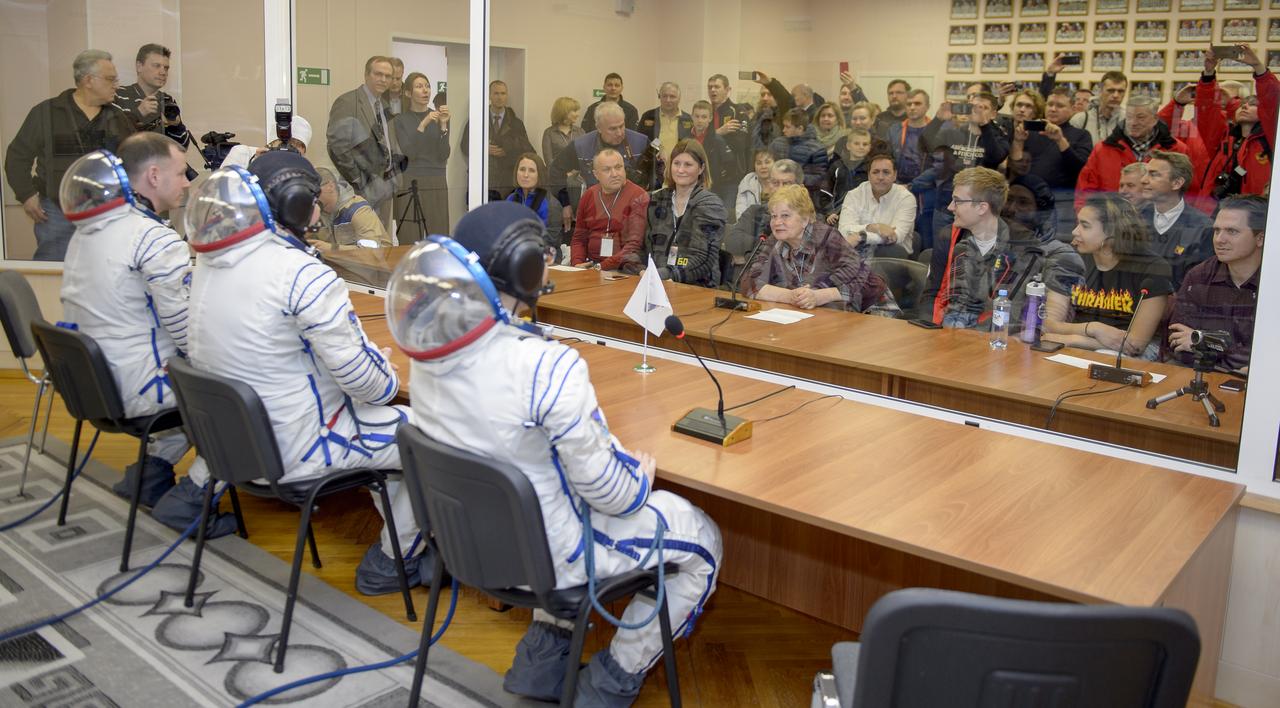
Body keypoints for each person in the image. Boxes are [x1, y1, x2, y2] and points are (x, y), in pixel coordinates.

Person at [387, 201, 721, 706]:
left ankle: (540, 665)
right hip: (546, 557)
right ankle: (611, 679)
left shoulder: (430, 350)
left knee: (556, 497)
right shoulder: (547, 366)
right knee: (703, 538)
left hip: (465, 546)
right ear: (525, 266)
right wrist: (638, 478)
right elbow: (612, 495)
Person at [178, 150, 425, 593]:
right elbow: (371, 386)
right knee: (418, 431)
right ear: (295, 203)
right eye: (310, 197)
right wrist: (383, 368)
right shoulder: (302, 275)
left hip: (232, 447)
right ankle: (394, 560)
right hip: (292, 452)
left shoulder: (209, 264)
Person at [57, 134, 203, 514]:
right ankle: (193, 496)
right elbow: (187, 331)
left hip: (94, 385)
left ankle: (149, 476)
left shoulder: (87, 232)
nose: (188, 182)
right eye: (181, 172)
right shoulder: (151, 238)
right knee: (247, 387)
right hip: (137, 389)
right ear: (154, 176)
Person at [4, 49, 134, 260]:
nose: (116, 85)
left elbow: (133, 161)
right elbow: (17, 156)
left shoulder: (117, 118)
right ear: (88, 80)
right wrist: (26, 194)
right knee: (54, 270)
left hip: (106, 213)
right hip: (56, 212)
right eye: (110, 79)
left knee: (103, 270)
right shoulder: (47, 113)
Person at [933, 167, 1084, 330]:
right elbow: (956, 310)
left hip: (1006, 345)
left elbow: (1041, 326)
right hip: (966, 341)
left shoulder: (1054, 255)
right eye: (1009, 201)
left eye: (1023, 203)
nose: (1011, 209)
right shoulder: (965, 246)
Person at [1043, 193, 1174, 359]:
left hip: (1127, 355)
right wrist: (1093, 328)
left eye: (1085, 225)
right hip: (1074, 344)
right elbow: (1049, 324)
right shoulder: (1071, 262)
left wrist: (1073, 339)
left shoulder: (1152, 268)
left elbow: (1136, 344)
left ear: (1111, 232)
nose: (1074, 231)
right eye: (1077, 224)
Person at [741, 184, 900, 316]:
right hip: (822, 313)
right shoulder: (774, 241)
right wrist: (791, 297)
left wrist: (818, 296)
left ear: (805, 219)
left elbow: (861, 280)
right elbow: (750, 283)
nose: (777, 222)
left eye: (785, 216)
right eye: (774, 216)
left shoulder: (826, 237)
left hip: (872, 309)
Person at [1167, 195, 1265, 372]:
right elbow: (1178, 343)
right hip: (1202, 376)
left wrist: (1201, 341)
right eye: (1217, 230)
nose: (1219, 239)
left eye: (1232, 231)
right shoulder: (1199, 276)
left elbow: (1265, 356)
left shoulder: (1272, 282)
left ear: (1260, 238)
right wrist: (1235, 361)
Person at [622, 139, 726, 287]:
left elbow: (703, 260)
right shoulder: (654, 200)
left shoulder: (710, 205)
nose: (681, 170)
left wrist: (664, 275)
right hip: (654, 284)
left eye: (688, 164)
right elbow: (636, 248)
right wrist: (640, 270)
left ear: (701, 168)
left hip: (695, 288)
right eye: (676, 163)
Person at [1075, 95, 1193, 210]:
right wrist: (1086, 221)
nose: (1133, 123)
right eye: (1129, 117)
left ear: (1155, 120)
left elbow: (1190, 193)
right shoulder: (1102, 150)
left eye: (1140, 117)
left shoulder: (1177, 150)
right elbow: (1085, 192)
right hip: (1112, 223)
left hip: (1162, 223)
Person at [1195, 46, 1278, 199]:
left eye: (1253, 104)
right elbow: (1205, 112)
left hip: (1257, 212)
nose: (1245, 106)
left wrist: (1257, 66)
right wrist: (1208, 74)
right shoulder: (1224, 137)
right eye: (1242, 105)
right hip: (1216, 210)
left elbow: (1272, 100)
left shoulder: (1272, 139)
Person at [326, 55, 400, 222]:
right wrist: (358, 180)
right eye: (378, 74)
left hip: (385, 189)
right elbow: (337, 146)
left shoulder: (385, 106)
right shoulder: (348, 102)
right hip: (358, 190)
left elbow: (390, 143)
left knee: (380, 242)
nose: (383, 79)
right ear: (366, 75)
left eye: (388, 76)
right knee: (359, 242)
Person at [1009, 88, 1092, 235]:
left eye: (1060, 106)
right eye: (1050, 104)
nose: (1053, 109)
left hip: (1061, 203)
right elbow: (1016, 170)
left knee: (1056, 249)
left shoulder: (1081, 135)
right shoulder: (1030, 132)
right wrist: (1018, 142)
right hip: (1027, 202)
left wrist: (1060, 141)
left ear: (1073, 109)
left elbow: (1080, 169)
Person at [549, 102, 656, 205]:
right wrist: (565, 202)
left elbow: (656, 173)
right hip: (596, 208)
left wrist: (648, 192)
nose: (619, 133)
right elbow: (556, 170)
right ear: (599, 128)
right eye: (613, 129)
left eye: (622, 126)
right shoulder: (580, 146)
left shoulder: (641, 142)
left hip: (634, 207)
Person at [1139, 150, 1212, 286]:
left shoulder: (1203, 228)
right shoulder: (1135, 218)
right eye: (1145, 173)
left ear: (1177, 183)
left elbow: (1198, 283)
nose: (1143, 180)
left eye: (1153, 174)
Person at [392, 71, 451, 239]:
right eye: (419, 86)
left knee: (439, 232)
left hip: (437, 179)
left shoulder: (440, 117)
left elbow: (444, 154)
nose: (425, 90)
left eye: (427, 86)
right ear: (408, 93)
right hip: (412, 180)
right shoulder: (401, 120)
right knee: (410, 235)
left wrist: (444, 126)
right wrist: (423, 124)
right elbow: (410, 152)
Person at [570, 148, 650, 270]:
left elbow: (633, 246)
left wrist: (601, 266)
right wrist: (577, 264)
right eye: (607, 169)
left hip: (623, 268)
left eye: (618, 167)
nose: (614, 174)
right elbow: (579, 238)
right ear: (596, 174)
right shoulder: (589, 195)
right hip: (589, 266)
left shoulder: (639, 196)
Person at [460, 80, 535, 201]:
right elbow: (464, 146)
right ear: (489, 96)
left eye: (503, 93)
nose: (500, 97)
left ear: (507, 96)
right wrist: (483, 149)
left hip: (507, 183)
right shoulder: (477, 119)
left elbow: (527, 152)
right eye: (496, 93)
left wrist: (507, 151)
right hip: (482, 180)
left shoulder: (516, 123)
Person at [836, 153, 916, 259]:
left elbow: (895, 236)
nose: (880, 177)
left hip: (894, 257)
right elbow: (844, 230)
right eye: (875, 172)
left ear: (895, 175)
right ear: (869, 175)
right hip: (859, 253)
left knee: (889, 251)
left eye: (886, 172)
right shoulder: (854, 195)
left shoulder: (906, 198)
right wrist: (872, 227)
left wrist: (862, 237)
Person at [726, 159, 801, 270]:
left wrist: (746, 257)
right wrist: (767, 245)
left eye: (786, 184)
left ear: (800, 188)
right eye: (775, 183)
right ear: (769, 185)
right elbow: (733, 241)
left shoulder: (808, 219)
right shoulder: (755, 211)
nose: (780, 189)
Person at [113, 43, 191, 149]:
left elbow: (182, 147)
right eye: (156, 66)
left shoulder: (166, 100)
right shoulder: (119, 95)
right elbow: (112, 139)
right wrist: (138, 113)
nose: (163, 72)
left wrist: (175, 126)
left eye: (166, 68)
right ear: (139, 66)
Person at [313, 166, 393, 250]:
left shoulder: (357, 209)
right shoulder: (317, 212)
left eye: (314, 189)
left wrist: (332, 248)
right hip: (340, 261)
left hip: (379, 260)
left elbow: (371, 250)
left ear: (330, 186)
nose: (310, 195)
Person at [506, 152, 565, 254]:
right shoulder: (511, 199)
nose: (525, 175)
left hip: (543, 259)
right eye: (522, 169)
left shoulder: (552, 205)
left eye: (532, 171)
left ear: (540, 174)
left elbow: (551, 241)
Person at [543, 96, 587, 231]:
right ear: (563, 112)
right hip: (558, 182)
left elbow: (585, 157)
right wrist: (564, 172)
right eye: (573, 111)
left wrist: (576, 172)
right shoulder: (549, 133)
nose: (577, 114)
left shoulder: (580, 132)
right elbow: (549, 160)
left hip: (579, 183)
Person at [821, 128, 875, 223]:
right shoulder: (837, 166)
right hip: (837, 216)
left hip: (865, 216)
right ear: (848, 146)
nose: (861, 147)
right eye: (856, 143)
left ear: (870, 147)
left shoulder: (873, 168)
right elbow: (825, 192)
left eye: (865, 144)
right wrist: (829, 212)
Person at [688, 100, 736, 209]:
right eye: (697, 116)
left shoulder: (717, 141)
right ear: (692, 117)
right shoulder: (685, 139)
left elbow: (729, 166)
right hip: (689, 189)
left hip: (712, 190)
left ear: (710, 119)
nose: (700, 120)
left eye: (704, 117)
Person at [769, 108, 827, 195]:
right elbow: (769, 167)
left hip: (803, 195)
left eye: (787, 127)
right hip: (777, 192)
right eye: (784, 126)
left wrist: (795, 179)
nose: (783, 130)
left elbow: (819, 178)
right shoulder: (777, 144)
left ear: (800, 128)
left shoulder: (817, 149)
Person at [1068, 69, 1129, 145]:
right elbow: (1069, 153)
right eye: (1110, 90)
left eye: (1120, 91)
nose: (1116, 95)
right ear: (1100, 90)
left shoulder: (1128, 121)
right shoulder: (1080, 120)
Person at [637, 82, 693, 163]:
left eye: (672, 96)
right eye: (664, 96)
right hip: (653, 168)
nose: (668, 100)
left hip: (680, 167)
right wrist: (657, 148)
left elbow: (692, 146)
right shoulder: (648, 116)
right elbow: (640, 142)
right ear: (660, 97)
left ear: (679, 98)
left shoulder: (688, 119)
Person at [887, 90, 933, 184]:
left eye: (917, 103)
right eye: (909, 104)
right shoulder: (894, 130)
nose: (912, 107)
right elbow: (888, 159)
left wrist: (913, 186)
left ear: (927, 106)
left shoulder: (938, 132)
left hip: (927, 187)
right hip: (898, 185)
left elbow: (939, 166)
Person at [750, 70, 794, 152]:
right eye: (763, 95)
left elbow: (785, 98)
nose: (765, 98)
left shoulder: (784, 113)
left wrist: (770, 83)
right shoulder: (758, 116)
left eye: (769, 94)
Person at [736, 149, 774, 218]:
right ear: (754, 166)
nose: (763, 166)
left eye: (767, 162)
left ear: (775, 163)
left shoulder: (782, 182)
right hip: (752, 226)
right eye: (759, 163)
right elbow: (740, 214)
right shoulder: (747, 182)